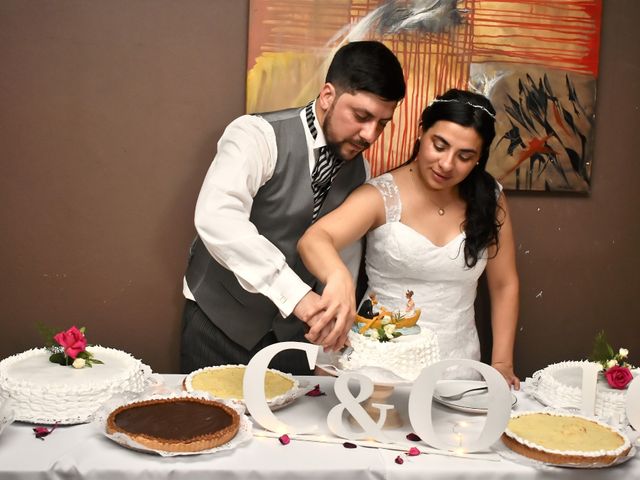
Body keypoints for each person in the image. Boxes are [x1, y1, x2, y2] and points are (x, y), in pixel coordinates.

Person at [181, 41, 406, 375]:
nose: (370, 134)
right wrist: (296, 296)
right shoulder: (256, 135)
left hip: (294, 340)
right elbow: (218, 217)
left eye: (382, 123)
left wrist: (331, 325)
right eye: (361, 116)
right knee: (207, 426)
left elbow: (343, 258)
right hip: (220, 324)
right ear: (328, 96)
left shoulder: (362, 172)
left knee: (290, 427)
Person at [298, 89, 520, 387]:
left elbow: (504, 284)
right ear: (422, 133)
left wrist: (502, 363)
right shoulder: (382, 195)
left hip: (458, 365)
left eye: (465, 156)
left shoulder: (490, 198)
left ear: (479, 158)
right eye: (439, 146)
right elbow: (314, 239)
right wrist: (338, 278)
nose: (446, 164)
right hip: (378, 370)